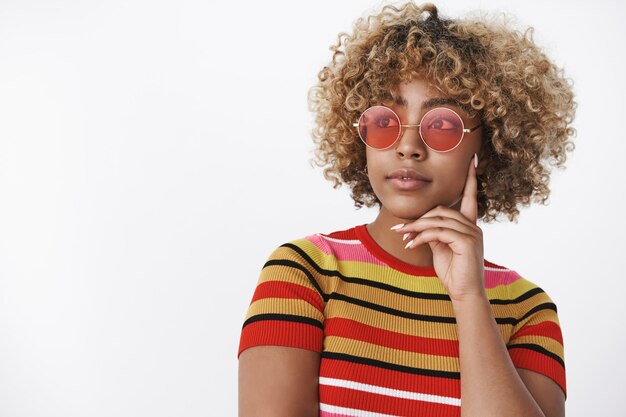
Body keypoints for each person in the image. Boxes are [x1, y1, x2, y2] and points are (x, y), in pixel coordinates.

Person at [237, 1, 576, 416]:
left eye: (443, 124)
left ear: (486, 149)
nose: (408, 146)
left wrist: (470, 298)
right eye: (384, 121)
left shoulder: (525, 309)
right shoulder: (305, 273)